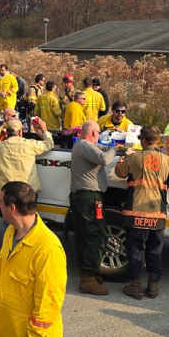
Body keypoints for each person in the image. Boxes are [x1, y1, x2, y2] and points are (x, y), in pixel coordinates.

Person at [0, 181, 67, 337]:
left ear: (12, 208)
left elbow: (48, 303)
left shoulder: (48, 248)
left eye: (0, 202)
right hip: (5, 332)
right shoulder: (10, 234)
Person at [114, 125, 169, 300]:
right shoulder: (167, 160)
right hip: (157, 214)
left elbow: (119, 172)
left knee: (135, 250)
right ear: (157, 141)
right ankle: (153, 286)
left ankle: (135, 285)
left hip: (135, 213)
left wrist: (125, 156)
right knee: (155, 250)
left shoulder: (135, 158)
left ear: (143, 140)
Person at [69, 120, 116, 295]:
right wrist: (116, 148)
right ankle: (88, 280)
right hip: (88, 198)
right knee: (92, 236)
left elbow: (99, 152)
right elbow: (103, 159)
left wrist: (108, 147)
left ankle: (90, 274)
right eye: (98, 135)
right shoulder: (84, 145)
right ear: (94, 134)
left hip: (85, 197)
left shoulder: (82, 146)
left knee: (87, 236)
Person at [0, 118, 54, 223]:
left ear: (6, 132)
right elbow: (49, 144)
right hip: (27, 190)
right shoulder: (30, 144)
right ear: (20, 132)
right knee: (27, 221)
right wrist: (44, 130)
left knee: (9, 222)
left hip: (7, 190)